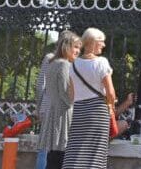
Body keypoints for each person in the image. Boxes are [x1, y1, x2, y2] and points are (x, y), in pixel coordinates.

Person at [63, 27, 116, 169]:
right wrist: (111, 105)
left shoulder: (73, 65)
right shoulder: (101, 62)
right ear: (93, 42)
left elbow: (72, 95)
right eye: (102, 42)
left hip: (79, 112)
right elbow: (110, 93)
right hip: (98, 112)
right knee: (95, 154)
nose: (104, 45)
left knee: (75, 151)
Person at [40, 32, 80, 169]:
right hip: (62, 115)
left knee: (53, 156)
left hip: (54, 112)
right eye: (75, 47)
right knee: (59, 157)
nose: (78, 51)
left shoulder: (53, 62)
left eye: (79, 47)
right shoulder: (64, 65)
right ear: (66, 47)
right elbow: (66, 96)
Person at [34, 40, 58, 169]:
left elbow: (40, 86)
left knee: (44, 149)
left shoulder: (49, 58)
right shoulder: (72, 62)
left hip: (47, 107)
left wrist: (38, 107)